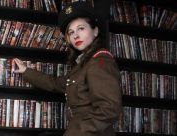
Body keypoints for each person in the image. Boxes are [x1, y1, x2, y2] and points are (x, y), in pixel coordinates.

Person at [14, 1, 122, 136]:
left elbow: (109, 109)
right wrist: (26, 71)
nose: (75, 35)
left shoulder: (100, 61)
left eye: (81, 28)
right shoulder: (83, 65)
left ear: (95, 31)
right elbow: (55, 83)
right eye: (71, 32)